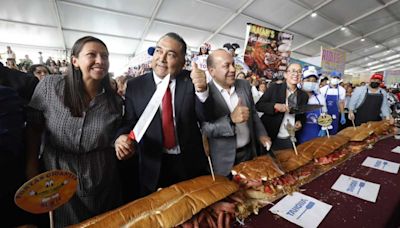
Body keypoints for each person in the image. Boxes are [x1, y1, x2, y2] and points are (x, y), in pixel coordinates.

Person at [26, 36, 124, 226]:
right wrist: (31, 167)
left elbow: (114, 136)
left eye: (105, 56)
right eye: (92, 55)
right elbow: (33, 128)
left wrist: (121, 141)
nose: (100, 61)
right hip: (58, 176)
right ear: (75, 61)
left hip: (102, 177)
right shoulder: (50, 87)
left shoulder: (114, 101)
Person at [114, 32, 213, 197]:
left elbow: (207, 117)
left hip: (189, 162)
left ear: (182, 63)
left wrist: (202, 90)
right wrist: (120, 138)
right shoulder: (135, 86)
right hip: (152, 163)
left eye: (171, 54)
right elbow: (129, 121)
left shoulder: (191, 81)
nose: (162, 58)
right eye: (159, 51)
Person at [201, 49, 270, 176]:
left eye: (233, 64)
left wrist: (262, 134)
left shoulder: (244, 85)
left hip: (249, 154)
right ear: (212, 71)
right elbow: (205, 128)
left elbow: (253, 113)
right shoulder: (205, 94)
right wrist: (231, 119)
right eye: (226, 66)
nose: (233, 70)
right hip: (223, 161)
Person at [256, 63, 308, 151]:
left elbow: (302, 114)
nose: (296, 74)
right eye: (293, 71)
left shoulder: (303, 96)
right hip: (271, 134)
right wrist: (274, 106)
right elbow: (259, 105)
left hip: (289, 137)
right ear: (285, 74)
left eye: (299, 72)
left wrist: (299, 121)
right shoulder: (274, 88)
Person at [297, 66, 327, 144]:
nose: (311, 83)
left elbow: (324, 114)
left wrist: (324, 128)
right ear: (301, 81)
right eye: (308, 80)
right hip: (300, 135)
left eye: (314, 81)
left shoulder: (320, 98)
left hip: (317, 133)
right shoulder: (296, 96)